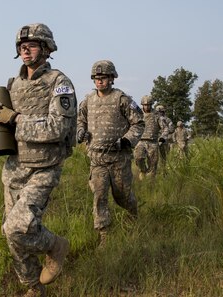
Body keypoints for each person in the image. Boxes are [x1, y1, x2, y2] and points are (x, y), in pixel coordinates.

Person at [0, 23, 77, 297]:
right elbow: (0, 123)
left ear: (47, 48)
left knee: (18, 227)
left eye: (32, 45)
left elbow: (58, 128)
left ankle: (55, 246)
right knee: (11, 233)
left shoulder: (59, 83)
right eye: (21, 46)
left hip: (44, 167)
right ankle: (33, 288)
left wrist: (15, 119)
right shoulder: (13, 84)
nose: (25, 50)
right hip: (14, 168)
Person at [76, 60, 144, 246]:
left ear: (112, 78)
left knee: (122, 195)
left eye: (104, 78)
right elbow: (80, 120)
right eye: (97, 78)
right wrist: (80, 131)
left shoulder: (122, 100)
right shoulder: (88, 101)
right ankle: (104, 236)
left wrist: (126, 140)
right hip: (97, 159)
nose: (100, 81)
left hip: (119, 159)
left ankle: (132, 214)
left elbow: (138, 123)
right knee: (99, 196)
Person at [134, 96, 169, 179]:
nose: (147, 107)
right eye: (145, 105)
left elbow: (165, 128)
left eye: (149, 105)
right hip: (140, 141)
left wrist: (162, 137)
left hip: (153, 142)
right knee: (138, 158)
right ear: (142, 105)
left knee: (152, 165)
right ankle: (142, 170)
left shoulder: (157, 115)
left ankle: (150, 185)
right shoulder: (138, 114)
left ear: (151, 105)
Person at [155, 105, 174, 169]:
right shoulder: (154, 119)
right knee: (157, 156)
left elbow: (171, 130)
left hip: (163, 140)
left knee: (162, 157)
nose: (159, 113)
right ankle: (159, 170)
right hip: (156, 140)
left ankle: (163, 170)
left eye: (159, 112)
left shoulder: (167, 120)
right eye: (158, 112)